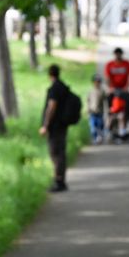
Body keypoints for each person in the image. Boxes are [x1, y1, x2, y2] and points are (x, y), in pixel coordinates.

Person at [39, 64, 73, 192]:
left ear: (50, 74)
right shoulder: (63, 87)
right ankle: (61, 180)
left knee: (55, 153)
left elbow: (52, 106)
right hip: (63, 124)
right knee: (61, 152)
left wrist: (45, 125)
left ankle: (58, 180)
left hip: (55, 126)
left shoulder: (55, 88)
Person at [87, 74, 107, 144]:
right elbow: (88, 101)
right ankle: (95, 138)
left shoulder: (102, 91)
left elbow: (105, 101)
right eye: (96, 82)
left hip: (100, 112)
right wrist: (88, 110)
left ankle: (99, 137)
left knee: (100, 125)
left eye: (98, 82)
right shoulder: (91, 91)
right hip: (92, 112)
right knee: (93, 127)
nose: (97, 83)